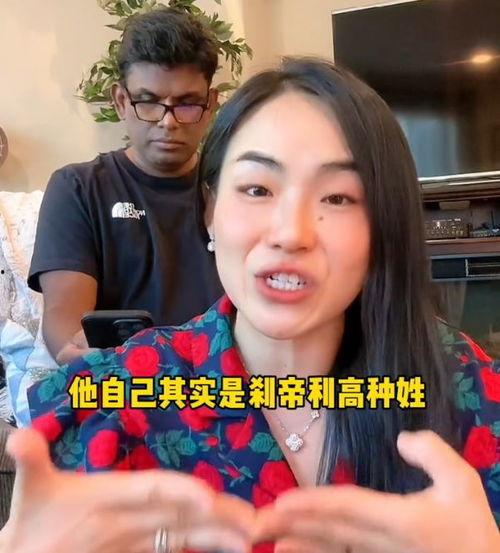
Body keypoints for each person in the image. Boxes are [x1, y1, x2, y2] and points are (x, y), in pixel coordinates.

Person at [3, 57, 499, 553]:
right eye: (257, 189)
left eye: (338, 197)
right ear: (211, 211)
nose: (291, 233)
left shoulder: (468, 391)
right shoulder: (109, 401)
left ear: (383, 226)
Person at [28, 8, 223, 366]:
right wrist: (77, 355)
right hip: (123, 377)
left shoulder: (236, 189)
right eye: (148, 102)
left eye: (186, 104)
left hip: (223, 378)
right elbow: (64, 314)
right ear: (120, 101)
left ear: (210, 105)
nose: (168, 122)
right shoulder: (79, 188)